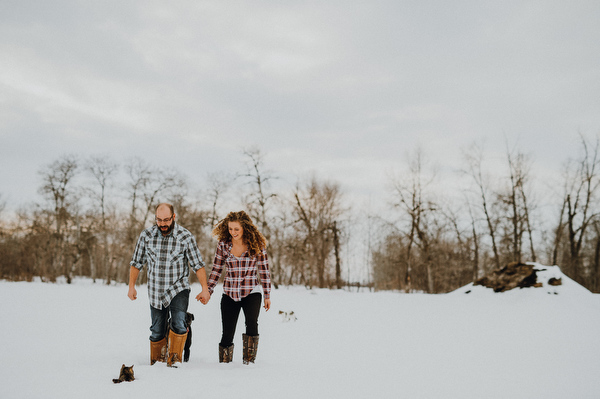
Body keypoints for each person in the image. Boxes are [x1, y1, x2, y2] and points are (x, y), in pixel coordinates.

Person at [128, 203, 210, 367]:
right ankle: (157, 363)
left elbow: (198, 265)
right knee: (157, 330)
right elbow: (136, 263)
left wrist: (205, 288)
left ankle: (175, 362)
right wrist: (131, 286)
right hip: (156, 290)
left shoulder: (185, 237)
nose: (163, 224)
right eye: (159, 220)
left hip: (178, 288)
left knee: (179, 323)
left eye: (166, 220)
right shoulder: (146, 236)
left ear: (173, 217)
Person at [207, 211, 271, 364]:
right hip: (230, 293)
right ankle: (225, 364)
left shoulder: (257, 244)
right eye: (230, 229)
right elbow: (216, 269)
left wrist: (267, 295)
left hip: (251, 292)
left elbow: (264, 271)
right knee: (227, 332)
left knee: (251, 324)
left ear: (244, 228)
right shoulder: (223, 244)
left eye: (236, 229)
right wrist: (208, 290)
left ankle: (249, 363)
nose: (233, 232)